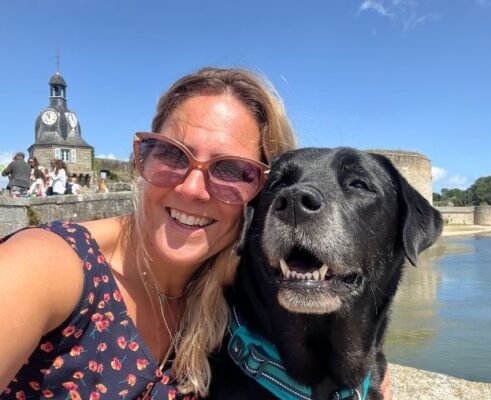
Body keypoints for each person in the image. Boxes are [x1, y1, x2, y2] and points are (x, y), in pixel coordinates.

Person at [0, 67, 392, 400]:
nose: (191, 188)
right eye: (172, 153)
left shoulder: (232, 297)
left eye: (230, 169)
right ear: (143, 159)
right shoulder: (46, 267)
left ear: (261, 199)